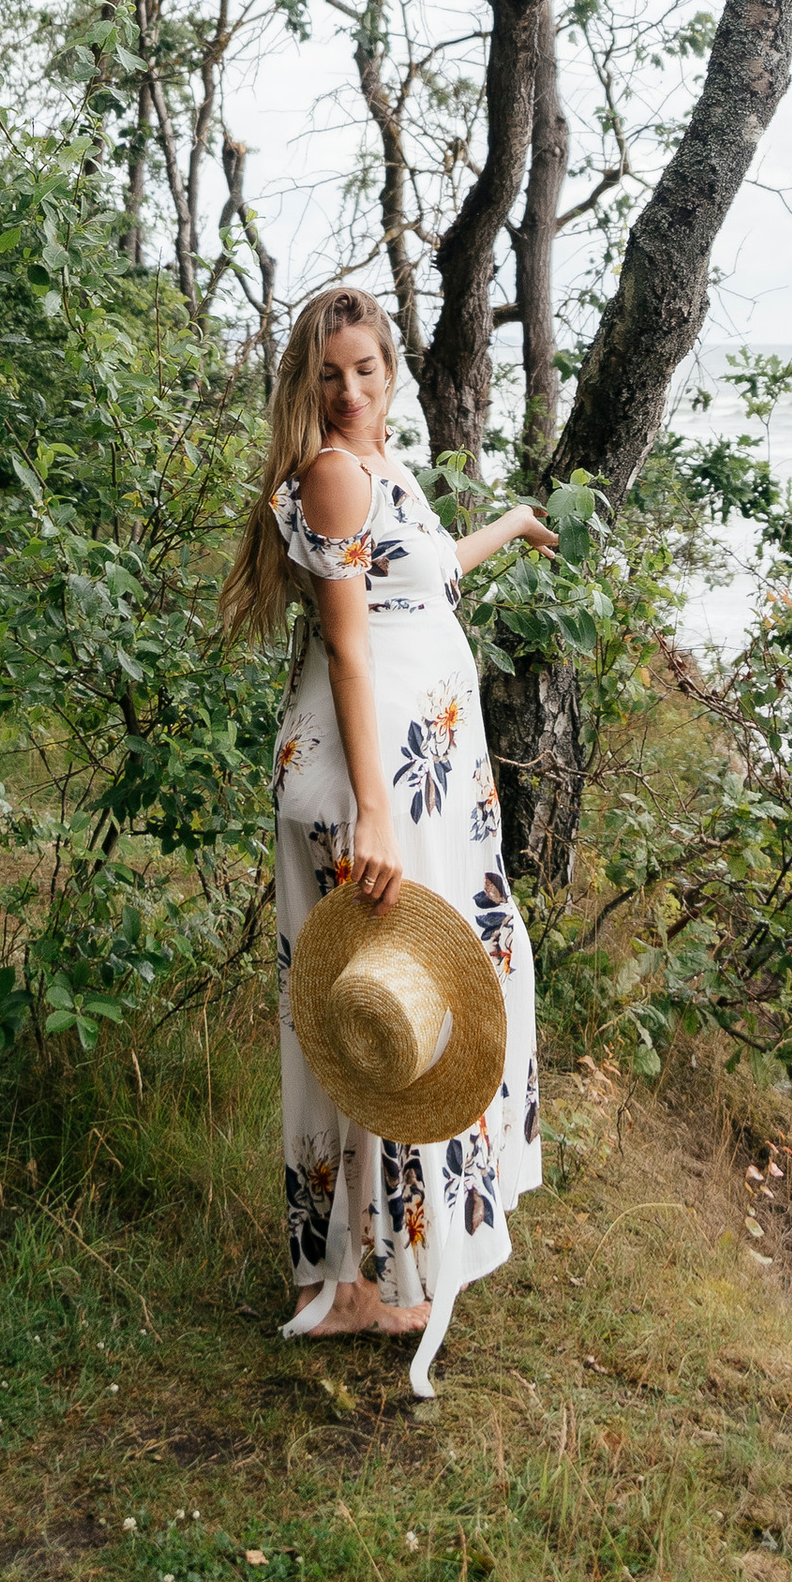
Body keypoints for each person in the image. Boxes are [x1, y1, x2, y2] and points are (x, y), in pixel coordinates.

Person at [221, 283, 557, 1346]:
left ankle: (377, 1270)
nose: (353, 390)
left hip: (423, 776)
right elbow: (353, 646)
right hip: (373, 780)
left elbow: (427, 575)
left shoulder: (379, 467)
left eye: (367, 368)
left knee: (414, 994)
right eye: (330, 374)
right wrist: (373, 810)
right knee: (377, 1006)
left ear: (391, 368)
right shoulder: (327, 472)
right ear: (304, 383)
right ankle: (356, 1279)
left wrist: (508, 524)